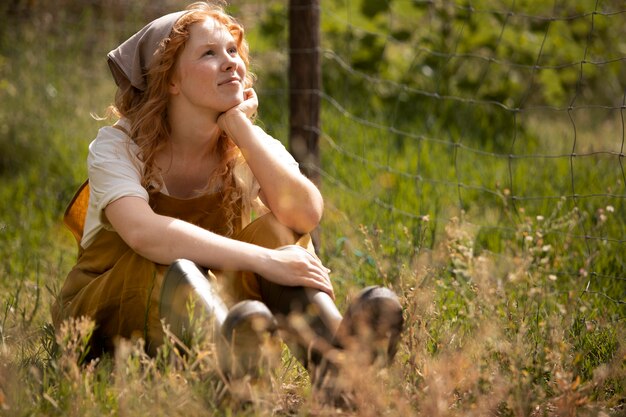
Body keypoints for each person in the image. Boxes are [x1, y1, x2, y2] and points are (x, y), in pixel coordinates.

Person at [52, 0, 402, 399]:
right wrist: (267, 261)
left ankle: (339, 362)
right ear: (171, 80)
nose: (230, 62)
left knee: (278, 229)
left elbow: (305, 214)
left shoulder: (244, 144)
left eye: (233, 51)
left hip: (220, 305)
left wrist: (240, 126)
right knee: (179, 266)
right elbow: (145, 234)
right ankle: (228, 371)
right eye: (208, 53)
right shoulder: (118, 146)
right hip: (110, 309)